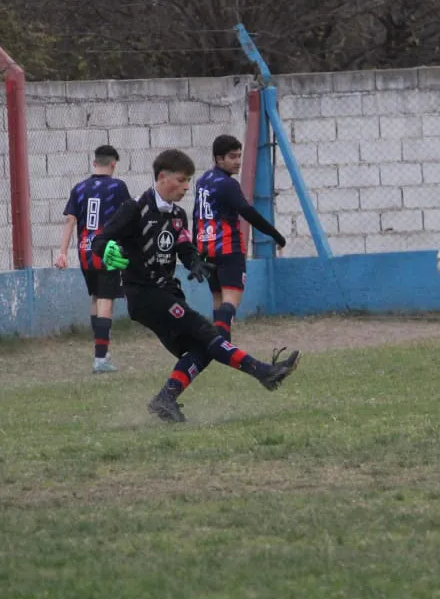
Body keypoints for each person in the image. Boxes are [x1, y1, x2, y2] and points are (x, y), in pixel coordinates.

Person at [90, 148, 300, 423]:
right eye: (182, 180)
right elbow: (101, 240)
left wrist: (195, 262)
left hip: (166, 293)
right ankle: (263, 372)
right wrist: (106, 252)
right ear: (163, 177)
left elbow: (184, 245)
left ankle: (165, 399)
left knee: (203, 348)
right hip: (145, 295)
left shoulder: (178, 214)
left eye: (189, 180)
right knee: (207, 331)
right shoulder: (135, 209)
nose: (187, 187)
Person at [193, 134, 287, 341]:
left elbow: (196, 215)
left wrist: (195, 249)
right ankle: (223, 346)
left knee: (218, 297)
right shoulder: (227, 184)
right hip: (228, 247)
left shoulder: (202, 181)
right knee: (232, 297)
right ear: (219, 159)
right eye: (232, 157)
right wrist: (276, 235)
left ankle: (218, 343)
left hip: (206, 249)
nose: (238, 161)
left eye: (239, 156)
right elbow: (247, 211)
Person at [54, 145, 133, 373]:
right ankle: (100, 358)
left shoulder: (79, 188)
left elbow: (70, 220)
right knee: (107, 299)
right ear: (113, 164)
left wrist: (62, 252)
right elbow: (128, 216)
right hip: (107, 250)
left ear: (94, 162)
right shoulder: (118, 186)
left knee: (97, 298)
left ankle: (101, 350)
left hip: (85, 251)